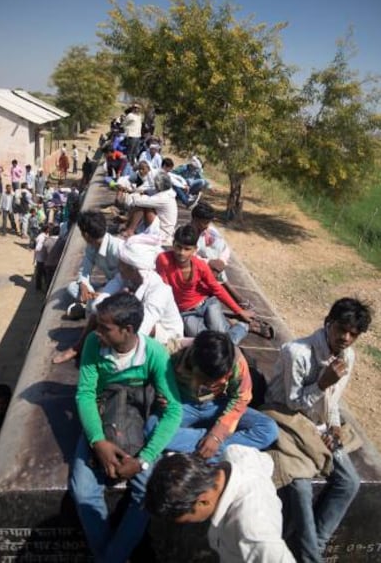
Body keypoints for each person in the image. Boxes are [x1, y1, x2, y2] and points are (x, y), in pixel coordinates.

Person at [70, 292, 182, 563]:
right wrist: (97, 441)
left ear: (128, 330)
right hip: (102, 418)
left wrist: (143, 460)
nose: (97, 332)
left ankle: (111, 557)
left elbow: (174, 411)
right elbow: (85, 394)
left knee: (147, 490)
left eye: (105, 328)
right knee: (82, 490)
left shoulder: (154, 353)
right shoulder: (94, 347)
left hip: (136, 421)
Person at [265, 297, 372, 563]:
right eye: (341, 329)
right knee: (299, 485)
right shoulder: (296, 352)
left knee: (349, 482)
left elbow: (333, 401)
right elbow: (293, 402)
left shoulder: (347, 356)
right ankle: (311, 557)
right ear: (328, 324)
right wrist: (322, 384)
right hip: (284, 419)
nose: (345, 338)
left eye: (353, 334)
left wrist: (334, 425)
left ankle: (315, 545)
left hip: (318, 426)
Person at [145, 447, 295, 563]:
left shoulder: (252, 529)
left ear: (203, 500)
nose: (186, 524)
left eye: (187, 520)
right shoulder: (236, 453)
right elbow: (266, 461)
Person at [54, 233, 183, 365]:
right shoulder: (125, 277)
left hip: (166, 337)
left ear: (134, 269)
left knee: (122, 324)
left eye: (122, 264)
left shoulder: (159, 290)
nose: (119, 267)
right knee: (100, 314)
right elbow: (99, 304)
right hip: (135, 325)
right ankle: (78, 347)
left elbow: (142, 328)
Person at [150, 330, 278, 458]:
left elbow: (241, 397)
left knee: (268, 429)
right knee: (151, 429)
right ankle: (209, 450)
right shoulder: (171, 352)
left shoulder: (235, 360)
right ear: (194, 362)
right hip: (181, 404)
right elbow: (149, 376)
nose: (209, 386)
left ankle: (203, 447)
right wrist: (162, 393)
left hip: (216, 404)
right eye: (204, 379)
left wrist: (217, 435)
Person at [156, 225, 259, 345]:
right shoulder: (163, 260)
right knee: (208, 343)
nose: (181, 253)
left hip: (207, 304)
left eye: (187, 249)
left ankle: (238, 325)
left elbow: (216, 288)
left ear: (194, 249)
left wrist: (239, 311)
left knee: (221, 336)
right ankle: (240, 327)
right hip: (185, 312)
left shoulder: (200, 266)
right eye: (178, 247)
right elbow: (165, 289)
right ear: (173, 244)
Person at [190, 201, 252, 308]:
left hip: (214, 268)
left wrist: (222, 261)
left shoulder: (210, 231)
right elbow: (189, 256)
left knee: (216, 249)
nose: (206, 226)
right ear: (195, 220)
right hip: (196, 267)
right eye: (204, 222)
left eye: (208, 222)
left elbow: (225, 247)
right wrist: (209, 262)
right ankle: (230, 293)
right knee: (211, 260)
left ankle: (223, 291)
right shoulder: (187, 233)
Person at [64, 210, 122, 321]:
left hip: (119, 289)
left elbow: (125, 281)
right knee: (72, 287)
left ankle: (87, 306)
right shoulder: (91, 246)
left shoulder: (117, 249)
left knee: (98, 302)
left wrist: (103, 292)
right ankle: (88, 303)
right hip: (107, 285)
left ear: (85, 234)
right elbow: (84, 270)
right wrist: (84, 285)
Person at [121, 171, 178, 246]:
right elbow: (147, 191)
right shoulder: (167, 192)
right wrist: (135, 191)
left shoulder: (164, 197)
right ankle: (127, 224)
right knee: (143, 201)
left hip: (162, 232)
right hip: (163, 226)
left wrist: (134, 195)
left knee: (142, 205)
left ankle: (130, 231)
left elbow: (138, 201)